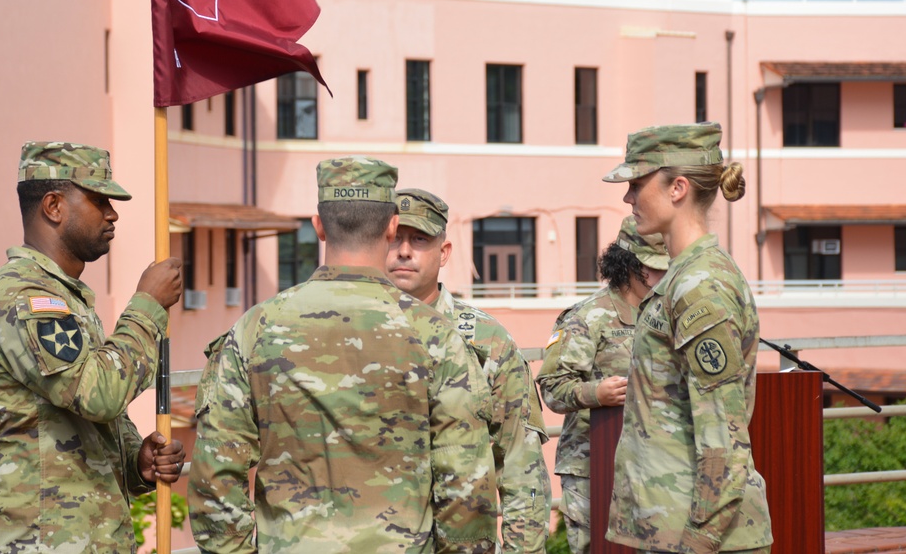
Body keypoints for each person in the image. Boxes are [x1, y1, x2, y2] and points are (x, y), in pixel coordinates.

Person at [188, 157, 498, 554]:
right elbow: (466, 479)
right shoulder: (435, 334)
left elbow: (215, 471)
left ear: (318, 226)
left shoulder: (256, 328)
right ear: (391, 228)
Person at [0, 141, 186, 553]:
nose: (112, 213)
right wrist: (147, 305)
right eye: (99, 200)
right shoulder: (21, 296)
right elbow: (98, 393)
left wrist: (138, 461)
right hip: (31, 542)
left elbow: (78, 418)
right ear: (53, 206)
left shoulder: (63, 299)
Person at [602, 122, 773, 553]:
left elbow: (723, 439)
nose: (628, 198)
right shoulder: (682, 277)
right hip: (672, 527)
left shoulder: (700, 286)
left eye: (637, 184)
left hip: (701, 538)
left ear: (677, 188)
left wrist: (699, 541)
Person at [386, 188, 552, 554]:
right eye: (393, 237)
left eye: (419, 239)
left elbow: (520, 464)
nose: (403, 251)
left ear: (443, 253)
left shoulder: (487, 341)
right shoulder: (350, 335)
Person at [535, 215, 669, 554]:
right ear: (628, 264)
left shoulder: (668, 315)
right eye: (655, 268)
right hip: (592, 465)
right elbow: (552, 386)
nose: (663, 277)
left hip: (656, 463)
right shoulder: (586, 317)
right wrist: (597, 393)